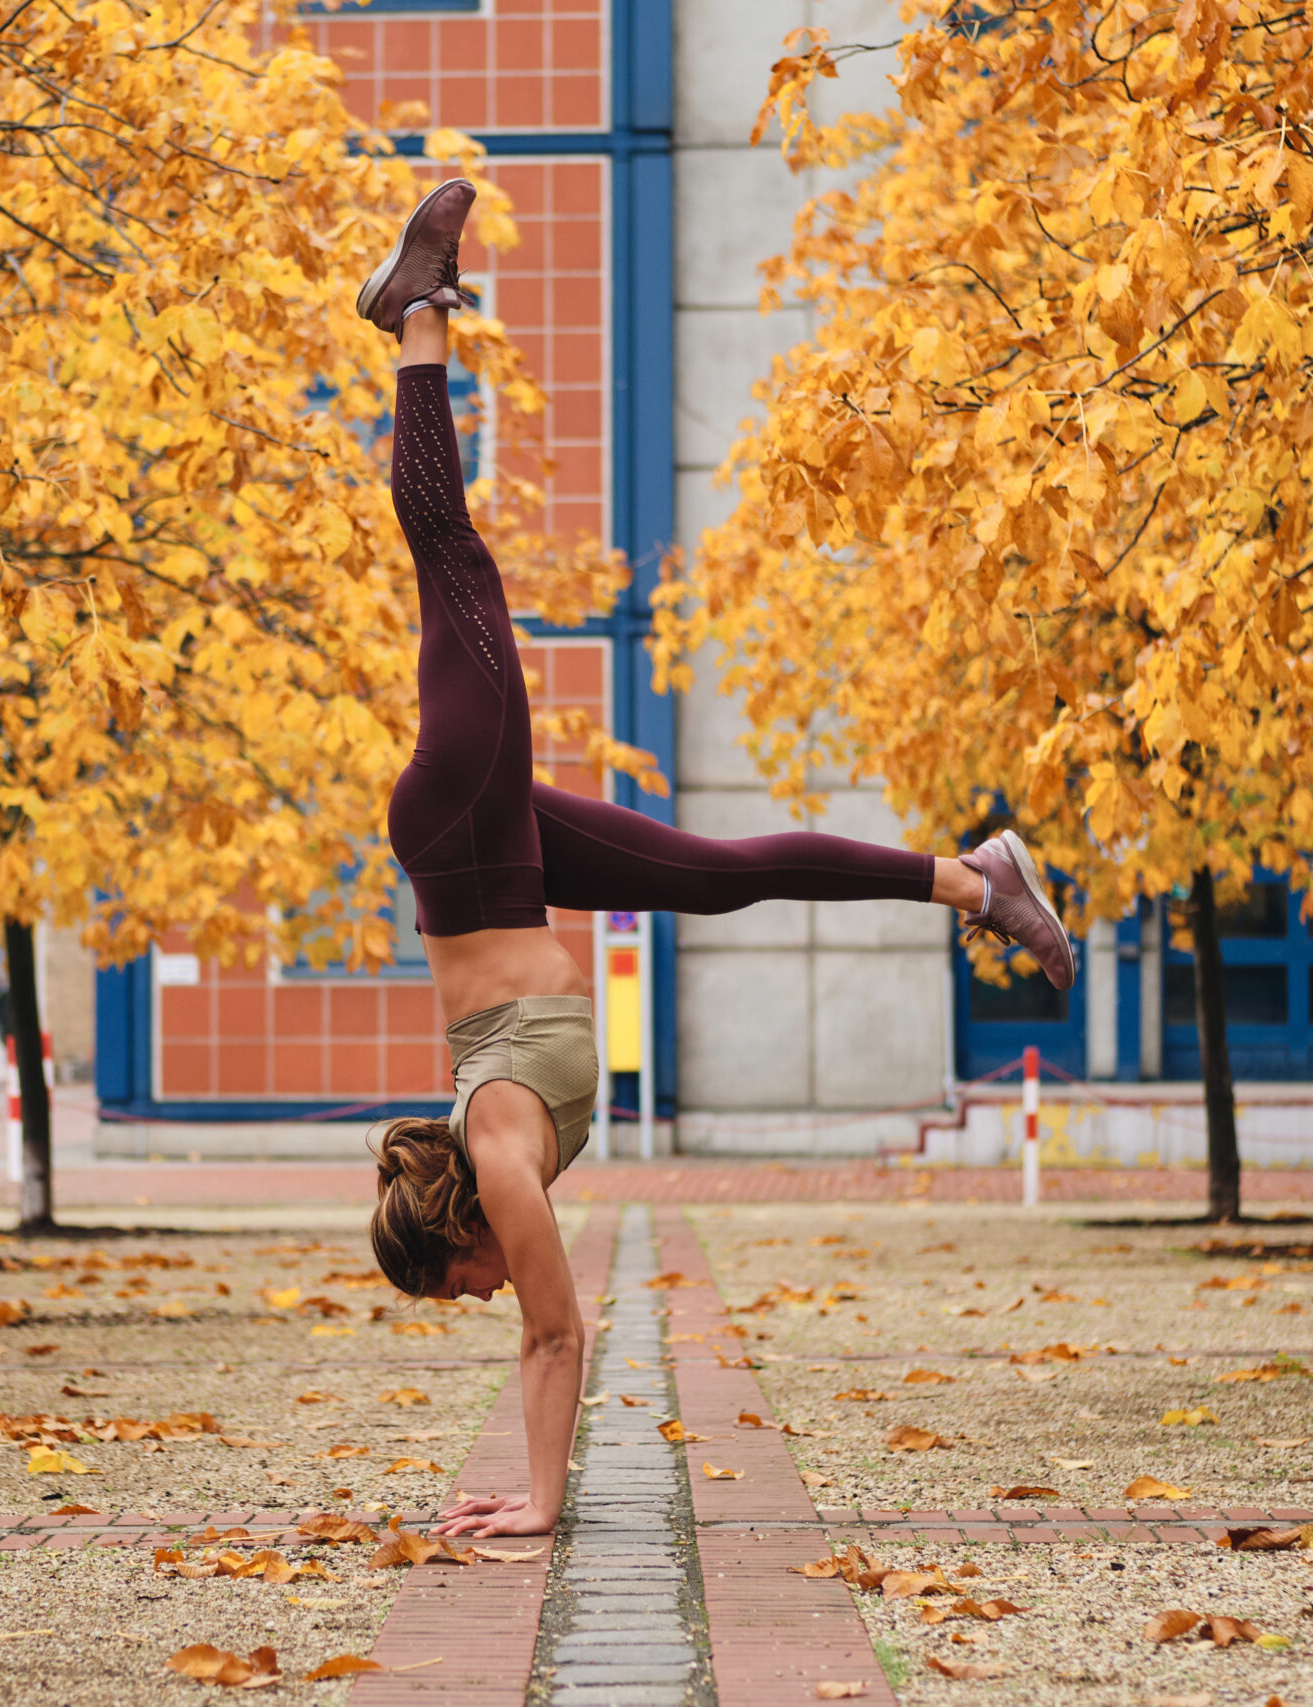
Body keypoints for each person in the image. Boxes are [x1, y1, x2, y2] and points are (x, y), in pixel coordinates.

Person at [356, 180, 1076, 1539]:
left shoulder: (503, 1164)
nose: (483, 1295)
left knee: (454, 561)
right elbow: (542, 1333)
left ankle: (416, 317)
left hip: (462, 827)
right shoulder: (496, 1151)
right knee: (728, 868)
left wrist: (543, 1508)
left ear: (458, 1237)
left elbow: (555, 1339)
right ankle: (977, 878)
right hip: (494, 861)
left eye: (458, 1286)